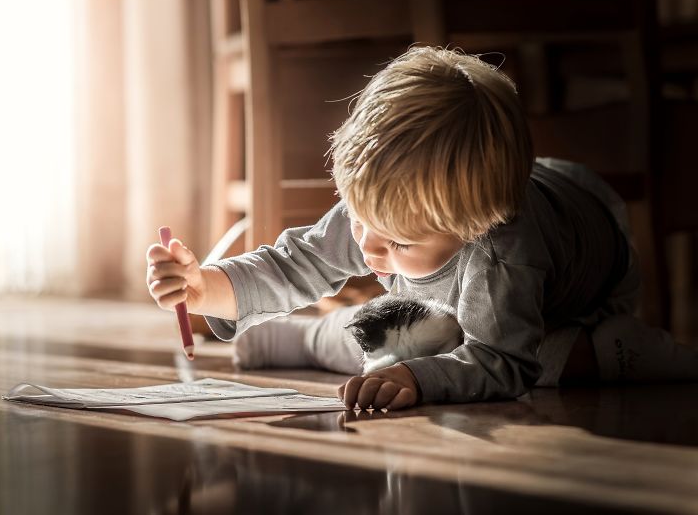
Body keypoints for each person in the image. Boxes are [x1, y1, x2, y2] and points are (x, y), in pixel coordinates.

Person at [145, 46, 698, 411]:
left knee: (535, 359)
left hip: (580, 289)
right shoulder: (382, 213)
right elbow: (297, 262)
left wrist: (417, 378)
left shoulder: (501, 253)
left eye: (399, 242)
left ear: (472, 227)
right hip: (480, 282)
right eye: (361, 220)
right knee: (402, 331)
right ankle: (304, 335)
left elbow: (504, 363)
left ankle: (640, 354)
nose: (367, 246)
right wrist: (206, 287)